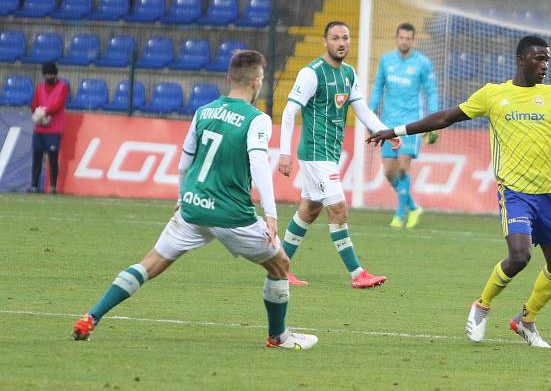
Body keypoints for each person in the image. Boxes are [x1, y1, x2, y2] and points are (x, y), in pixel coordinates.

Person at [71, 50, 317, 350]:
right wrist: (271, 214)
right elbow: (259, 165)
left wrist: (181, 195)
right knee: (280, 264)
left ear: (229, 78)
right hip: (232, 216)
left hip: (193, 208)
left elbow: (185, 161)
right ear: (257, 81)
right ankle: (278, 337)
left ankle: (91, 317)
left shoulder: (204, 111)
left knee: (150, 263)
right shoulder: (258, 120)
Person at [367, 36, 551, 347]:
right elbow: (445, 117)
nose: (544, 65)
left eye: (547, 60)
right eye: (538, 59)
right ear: (521, 60)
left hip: (549, 194)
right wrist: (396, 130)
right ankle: (482, 306)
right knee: (520, 255)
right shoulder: (493, 95)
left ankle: (525, 321)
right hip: (515, 193)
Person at [278, 21, 398, 287]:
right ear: (325, 41)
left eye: (345, 38)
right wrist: (283, 153)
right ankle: (357, 274)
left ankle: (279, 267)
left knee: (309, 211)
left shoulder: (349, 74)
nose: (341, 43)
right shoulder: (312, 74)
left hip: (329, 154)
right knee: (339, 208)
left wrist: (385, 131)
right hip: (315, 153)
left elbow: (362, 110)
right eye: (335, 38)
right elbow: (289, 112)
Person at [369, 23, 438, 228]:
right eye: (401, 38)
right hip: (387, 123)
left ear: (413, 40)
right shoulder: (386, 61)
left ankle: (400, 216)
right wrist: (370, 113)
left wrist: (432, 122)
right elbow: (378, 88)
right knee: (388, 171)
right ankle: (414, 207)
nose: (404, 41)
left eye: (408, 38)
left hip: (411, 124)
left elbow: (431, 91)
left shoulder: (422, 63)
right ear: (396, 38)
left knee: (402, 167)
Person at [29, 62, 68, 194]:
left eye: (51, 74)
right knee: (37, 156)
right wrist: (37, 112)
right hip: (40, 128)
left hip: (54, 128)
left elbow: (58, 105)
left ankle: (52, 186)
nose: (49, 77)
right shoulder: (40, 87)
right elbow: (34, 104)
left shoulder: (62, 87)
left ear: (55, 75)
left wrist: (45, 112)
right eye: (46, 75)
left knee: (53, 157)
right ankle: (34, 185)